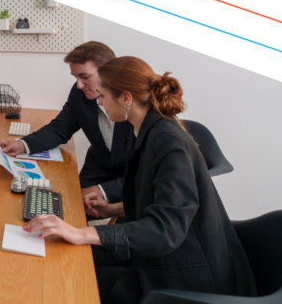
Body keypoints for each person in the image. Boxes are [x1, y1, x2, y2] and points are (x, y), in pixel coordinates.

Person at [24, 57, 257, 304]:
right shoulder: (143, 129)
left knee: (72, 279)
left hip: (188, 272)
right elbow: (156, 199)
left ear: (126, 98)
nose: (99, 102)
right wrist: (113, 209)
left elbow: (165, 229)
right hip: (159, 252)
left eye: (102, 96)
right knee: (64, 252)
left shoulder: (169, 142)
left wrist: (84, 233)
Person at [0, 41, 131, 206]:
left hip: (133, 180)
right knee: (62, 204)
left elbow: (146, 175)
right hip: (99, 168)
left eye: (85, 77)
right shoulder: (79, 93)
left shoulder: (133, 105)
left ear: (109, 73)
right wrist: (21, 145)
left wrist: (103, 191)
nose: (79, 85)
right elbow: (59, 129)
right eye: (76, 77)